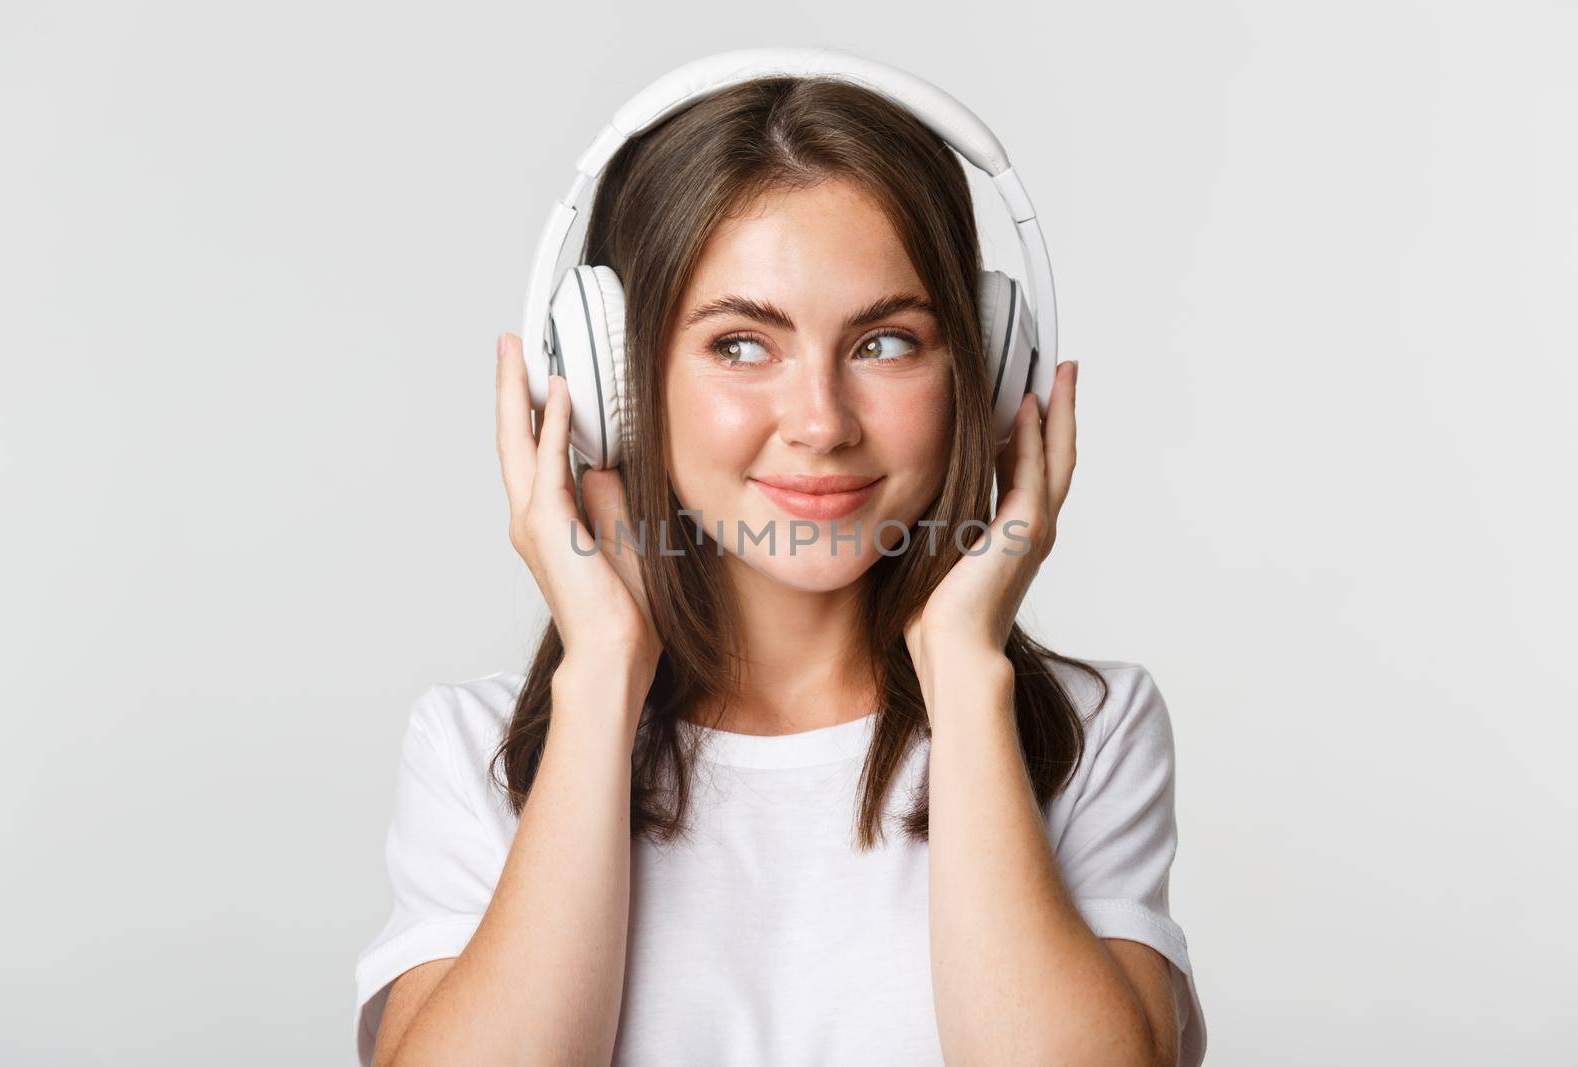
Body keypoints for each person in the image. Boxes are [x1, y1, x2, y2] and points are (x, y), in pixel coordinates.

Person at [354, 71, 1207, 1066]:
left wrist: (966, 675)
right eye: (741, 344)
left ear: (984, 366)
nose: (820, 422)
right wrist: (602, 672)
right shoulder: (479, 753)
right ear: (609, 384)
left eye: (886, 341)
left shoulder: (1084, 732)